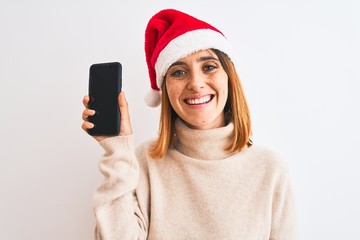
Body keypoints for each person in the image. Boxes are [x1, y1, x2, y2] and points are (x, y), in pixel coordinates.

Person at [81, 9, 298, 240]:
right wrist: (117, 152)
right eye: (179, 72)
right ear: (165, 90)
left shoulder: (270, 169)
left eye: (209, 67)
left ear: (229, 78)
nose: (196, 83)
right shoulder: (144, 163)